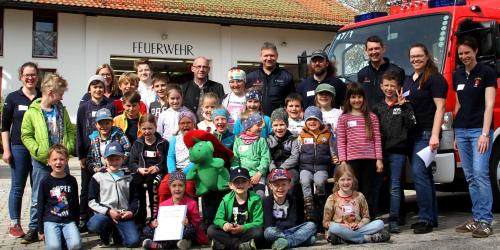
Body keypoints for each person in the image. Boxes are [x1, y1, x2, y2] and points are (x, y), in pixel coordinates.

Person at [20, 73, 75, 244]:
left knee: (61, 194)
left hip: (60, 161)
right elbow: (26, 135)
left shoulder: (61, 110)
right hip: (41, 161)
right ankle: (34, 228)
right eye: (61, 93)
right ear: (51, 92)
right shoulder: (32, 112)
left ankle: (62, 223)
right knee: (38, 197)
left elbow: (70, 131)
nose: (62, 96)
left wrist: (69, 147)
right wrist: (37, 151)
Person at [453, 36, 496, 238]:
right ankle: (477, 218)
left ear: (475, 51)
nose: (464, 57)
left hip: (479, 131)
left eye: (467, 53)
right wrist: (455, 132)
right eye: (461, 54)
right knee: (470, 177)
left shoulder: (486, 72)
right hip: (461, 131)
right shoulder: (458, 75)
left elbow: (489, 105)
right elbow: (459, 105)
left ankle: (486, 221)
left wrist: (485, 134)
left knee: (480, 173)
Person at [403, 43, 447, 234]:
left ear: (427, 56)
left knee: (419, 175)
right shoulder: (409, 80)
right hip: (413, 133)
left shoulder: (435, 79)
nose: (415, 59)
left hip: (427, 133)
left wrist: (435, 134)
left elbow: (441, 108)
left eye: (419, 56)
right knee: (425, 177)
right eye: (412, 56)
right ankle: (431, 217)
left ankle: (425, 219)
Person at [372, 71, 416, 233]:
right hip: (379, 153)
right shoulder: (376, 107)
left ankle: (394, 220)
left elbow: (412, 125)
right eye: (387, 85)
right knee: (376, 185)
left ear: (398, 87)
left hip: (398, 152)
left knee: (395, 187)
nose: (389, 88)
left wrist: (404, 107)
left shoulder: (405, 105)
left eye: (393, 85)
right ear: (381, 86)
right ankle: (371, 218)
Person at [2, 62, 41, 238]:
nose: (30, 78)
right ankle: (15, 224)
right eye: (27, 75)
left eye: (33, 74)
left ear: (37, 76)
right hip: (18, 147)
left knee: (38, 187)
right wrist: (6, 150)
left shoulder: (42, 96)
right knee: (18, 187)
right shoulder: (13, 98)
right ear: (21, 77)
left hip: (39, 148)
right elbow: (4, 126)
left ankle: (37, 224)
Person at [337, 83, 383, 220]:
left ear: (364, 98)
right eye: (353, 97)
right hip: (351, 161)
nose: (356, 100)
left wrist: (379, 159)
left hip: (369, 160)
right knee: (353, 190)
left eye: (359, 97)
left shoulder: (372, 117)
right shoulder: (343, 118)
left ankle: (369, 218)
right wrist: (343, 161)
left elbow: (377, 139)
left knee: (368, 190)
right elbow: (341, 140)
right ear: (348, 99)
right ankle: (353, 218)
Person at [76, 75, 116, 231]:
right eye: (94, 87)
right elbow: (79, 131)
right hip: (89, 155)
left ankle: (101, 216)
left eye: (100, 86)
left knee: (105, 186)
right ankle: (83, 217)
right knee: (86, 188)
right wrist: (81, 155)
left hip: (107, 154)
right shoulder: (84, 107)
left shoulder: (111, 105)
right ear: (89, 89)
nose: (98, 89)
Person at [87, 142, 140, 248]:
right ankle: (105, 232)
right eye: (110, 159)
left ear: (123, 158)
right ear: (104, 159)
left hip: (122, 215)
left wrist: (131, 211)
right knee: (95, 224)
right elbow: (91, 201)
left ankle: (117, 234)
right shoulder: (98, 177)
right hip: (105, 215)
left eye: (117, 159)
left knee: (133, 242)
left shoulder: (129, 177)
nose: (114, 162)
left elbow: (135, 199)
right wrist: (108, 211)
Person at [323, 164, 390, 245]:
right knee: (333, 228)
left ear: (353, 180)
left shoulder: (359, 196)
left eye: (349, 179)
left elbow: (366, 217)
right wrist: (344, 226)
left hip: (358, 229)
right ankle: (366, 238)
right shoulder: (332, 198)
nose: (346, 182)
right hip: (341, 230)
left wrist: (359, 225)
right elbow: (326, 222)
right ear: (337, 181)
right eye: (342, 180)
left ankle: (345, 239)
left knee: (380, 223)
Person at [142, 171, 208, 250]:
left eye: (180, 185)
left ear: (185, 187)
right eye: (174, 186)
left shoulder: (192, 203)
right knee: (147, 230)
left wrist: (187, 224)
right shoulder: (163, 204)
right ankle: (182, 243)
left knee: (190, 231)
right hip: (167, 232)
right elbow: (158, 219)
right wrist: (154, 224)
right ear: (170, 187)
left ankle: (159, 246)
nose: (177, 189)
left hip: (183, 232)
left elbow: (196, 224)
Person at [208, 167, 264, 250]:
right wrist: (224, 224)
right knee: (211, 230)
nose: (240, 185)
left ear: (249, 184)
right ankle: (240, 246)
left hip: (246, 232)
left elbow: (259, 222)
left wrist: (243, 228)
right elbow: (218, 219)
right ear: (230, 185)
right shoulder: (226, 200)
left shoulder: (256, 199)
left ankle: (225, 245)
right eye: (236, 182)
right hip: (230, 232)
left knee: (258, 232)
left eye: (244, 181)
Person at [37, 144, 81, 250]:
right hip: (51, 220)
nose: (58, 162)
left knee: (75, 245)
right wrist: (40, 230)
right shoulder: (45, 181)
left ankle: (64, 238)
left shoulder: (71, 180)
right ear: (49, 161)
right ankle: (56, 238)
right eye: (55, 159)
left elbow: (75, 202)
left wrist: (76, 224)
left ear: (66, 161)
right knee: (54, 247)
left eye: (61, 159)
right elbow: (40, 204)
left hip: (68, 220)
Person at [128, 114, 169, 228]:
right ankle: (140, 219)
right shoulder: (138, 143)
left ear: (155, 127)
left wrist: (157, 167)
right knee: (135, 184)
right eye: (144, 129)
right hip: (142, 172)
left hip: (157, 173)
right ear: (140, 128)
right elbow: (132, 162)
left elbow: (167, 161)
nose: (147, 131)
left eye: (150, 128)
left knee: (154, 184)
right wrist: (138, 169)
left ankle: (154, 218)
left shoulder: (163, 143)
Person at [298, 106, 336, 222]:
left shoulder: (327, 135)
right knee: (304, 180)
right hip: (306, 167)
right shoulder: (302, 135)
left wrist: (335, 160)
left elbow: (332, 150)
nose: (312, 122)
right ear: (305, 122)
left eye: (315, 119)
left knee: (319, 181)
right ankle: (309, 204)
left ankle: (320, 201)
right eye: (309, 120)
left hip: (321, 167)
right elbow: (299, 151)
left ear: (320, 121)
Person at [264, 168, 316, 250]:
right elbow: (269, 224)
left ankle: (286, 243)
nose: (280, 188)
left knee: (311, 225)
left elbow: (293, 222)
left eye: (284, 184)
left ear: (289, 185)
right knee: (268, 232)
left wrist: (284, 226)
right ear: (270, 186)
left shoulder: (293, 200)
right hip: (275, 232)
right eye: (276, 185)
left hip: (291, 230)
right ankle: (293, 241)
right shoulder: (267, 201)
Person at [157, 110, 197, 203]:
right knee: (164, 187)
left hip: (190, 172)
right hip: (175, 171)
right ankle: (163, 213)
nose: (185, 125)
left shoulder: (197, 139)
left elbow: (196, 160)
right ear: (179, 125)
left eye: (188, 123)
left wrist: (184, 173)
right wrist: (173, 172)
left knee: (189, 188)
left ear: (194, 124)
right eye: (182, 123)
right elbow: (170, 157)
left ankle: (190, 214)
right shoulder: (175, 139)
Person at [357, 35, 405, 109]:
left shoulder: (398, 72)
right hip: (369, 118)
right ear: (366, 51)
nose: (374, 52)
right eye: (370, 49)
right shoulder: (362, 74)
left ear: (383, 49)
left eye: (377, 48)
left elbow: (403, 97)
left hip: (390, 117)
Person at [246, 42, 294, 116]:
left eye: (272, 55)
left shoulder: (286, 77)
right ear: (261, 57)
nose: (269, 58)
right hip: (256, 119)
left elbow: (292, 101)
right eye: (266, 55)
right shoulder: (251, 77)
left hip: (278, 121)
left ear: (277, 56)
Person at [232, 112, 271, 199]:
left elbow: (266, 158)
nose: (261, 127)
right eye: (258, 125)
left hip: (258, 176)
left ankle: (259, 212)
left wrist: (259, 173)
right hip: (242, 176)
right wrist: (238, 175)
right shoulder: (238, 141)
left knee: (260, 195)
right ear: (248, 128)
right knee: (242, 197)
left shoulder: (261, 141)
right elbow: (235, 160)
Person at [86, 108, 131, 174]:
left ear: (112, 123)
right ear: (96, 125)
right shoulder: (94, 138)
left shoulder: (119, 134)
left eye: (107, 123)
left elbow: (128, 151)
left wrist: (117, 164)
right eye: (101, 123)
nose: (104, 126)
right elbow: (90, 159)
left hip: (120, 171)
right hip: (102, 173)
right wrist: (96, 169)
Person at [267, 108, 300, 195]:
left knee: (290, 182)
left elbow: (294, 157)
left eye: (282, 124)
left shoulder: (293, 138)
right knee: (272, 183)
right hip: (273, 168)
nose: (279, 128)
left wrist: (282, 169)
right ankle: (274, 204)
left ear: (287, 125)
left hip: (289, 168)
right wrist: (274, 169)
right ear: (272, 126)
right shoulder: (268, 139)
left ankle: (290, 204)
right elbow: (268, 157)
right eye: (275, 125)